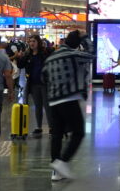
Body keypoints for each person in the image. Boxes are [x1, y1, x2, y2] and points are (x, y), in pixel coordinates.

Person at [44, 30, 94, 182]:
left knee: (57, 135)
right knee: (78, 132)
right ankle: (63, 162)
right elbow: (92, 53)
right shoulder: (74, 55)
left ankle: (56, 172)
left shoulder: (51, 57)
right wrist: (85, 37)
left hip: (53, 100)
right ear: (77, 44)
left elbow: (43, 76)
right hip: (69, 98)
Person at [17, 34, 52, 136]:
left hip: (45, 83)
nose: (31, 43)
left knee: (47, 106)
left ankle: (51, 127)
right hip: (34, 83)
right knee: (38, 106)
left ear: (38, 42)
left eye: (34, 41)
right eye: (30, 41)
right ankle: (39, 127)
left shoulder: (45, 53)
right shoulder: (28, 55)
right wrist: (21, 56)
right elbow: (20, 65)